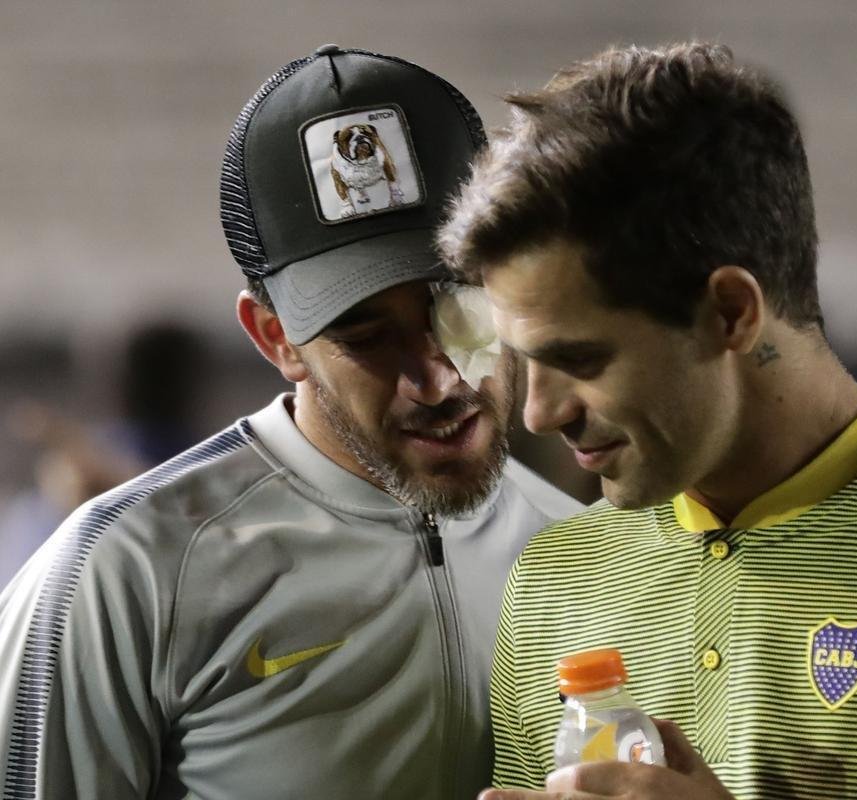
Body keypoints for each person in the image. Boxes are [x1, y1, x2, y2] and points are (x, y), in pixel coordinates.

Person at [437, 43, 857, 799]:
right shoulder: (556, 577)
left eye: (581, 359)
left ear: (729, 313)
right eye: (524, 362)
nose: (539, 412)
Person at [0, 46, 581, 799]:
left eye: (461, 309)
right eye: (367, 338)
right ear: (275, 338)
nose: (438, 379)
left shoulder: (590, 554)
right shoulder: (124, 575)